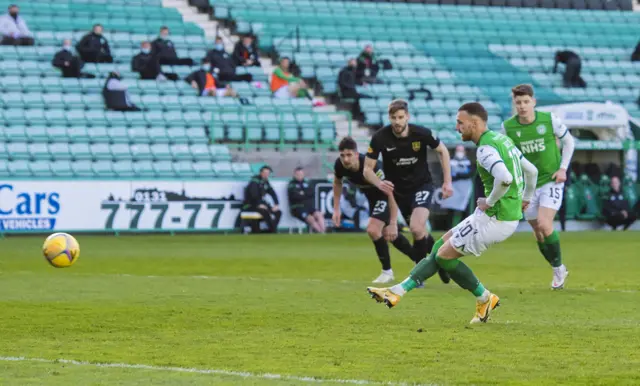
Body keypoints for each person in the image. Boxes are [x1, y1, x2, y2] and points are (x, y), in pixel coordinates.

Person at [367, 102, 538, 324]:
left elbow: (504, 178)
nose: (457, 127)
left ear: (474, 123)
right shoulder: (502, 139)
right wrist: (526, 198)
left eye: (460, 123)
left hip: (497, 219)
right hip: (490, 215)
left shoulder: (486, 149)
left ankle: (485, 297)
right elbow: (531, 171)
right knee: (440, 246)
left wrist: (490, 200)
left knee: (445, 258)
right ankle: (397, 291)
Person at [333, 137, 446, 284]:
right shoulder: (340, 166)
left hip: (390, 195)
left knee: (374, 229)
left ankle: (388, 271)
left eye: (349, 155)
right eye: (342, 155)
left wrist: (393, 222)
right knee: (389, 235)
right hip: (374, 199)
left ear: (356, 154)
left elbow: (390, 192)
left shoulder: (373, 166)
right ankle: (431, 263)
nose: (345, 159)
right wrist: (336, 209)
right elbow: (337, 182)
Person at [364, 99, 454, 275]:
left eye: (400, 117)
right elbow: (367, 169)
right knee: (419, 231)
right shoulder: (380, 137)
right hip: (398, 192)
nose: (397, 122)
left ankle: (419, 274)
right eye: (393, 118)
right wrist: (379, 183)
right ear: (389, 118)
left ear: (407, 117)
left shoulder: (421, 133)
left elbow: (442, 150)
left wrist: (447, 181)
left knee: (416, 227)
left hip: (422, 185)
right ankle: (441, 261)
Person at [502, 84, 575, 289]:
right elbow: (508, 157)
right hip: (528, 186)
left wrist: (563, 168)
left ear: (533, 102)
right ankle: (557, 267)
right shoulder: (508, 127)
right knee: (538, 232)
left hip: (551, 180)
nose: (523, 106)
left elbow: (569, 142)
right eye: (518, 103)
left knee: (544, 223)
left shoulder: (549, 120)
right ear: (514, 104)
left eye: (526, 102)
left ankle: (558, 268)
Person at [242, 166, 281, 233]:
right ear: (261, 173)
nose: (266, 175)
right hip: (250, 205)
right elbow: (254, 195)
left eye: (268, 173)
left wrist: (276, 204)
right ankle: (273, 231)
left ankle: (270, 230)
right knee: (264, 211)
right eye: (265, 173)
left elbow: (272, 192)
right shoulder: (254, 181)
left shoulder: (265, 182)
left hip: (261, 203)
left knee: (278, 212)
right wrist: (259, 204)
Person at [287, 167, 325, 233]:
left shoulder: (307, 183)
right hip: (298, 207)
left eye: (301, 174)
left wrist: (302, 193)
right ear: (294, 175)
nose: (299, 176)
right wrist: (305, 194)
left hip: (309, 207)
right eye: (298, 174)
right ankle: (321, 233)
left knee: (319, 215)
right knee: (311, 219)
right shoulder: (291, 184)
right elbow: (295, 196)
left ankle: (324, 232)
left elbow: (312, 193)